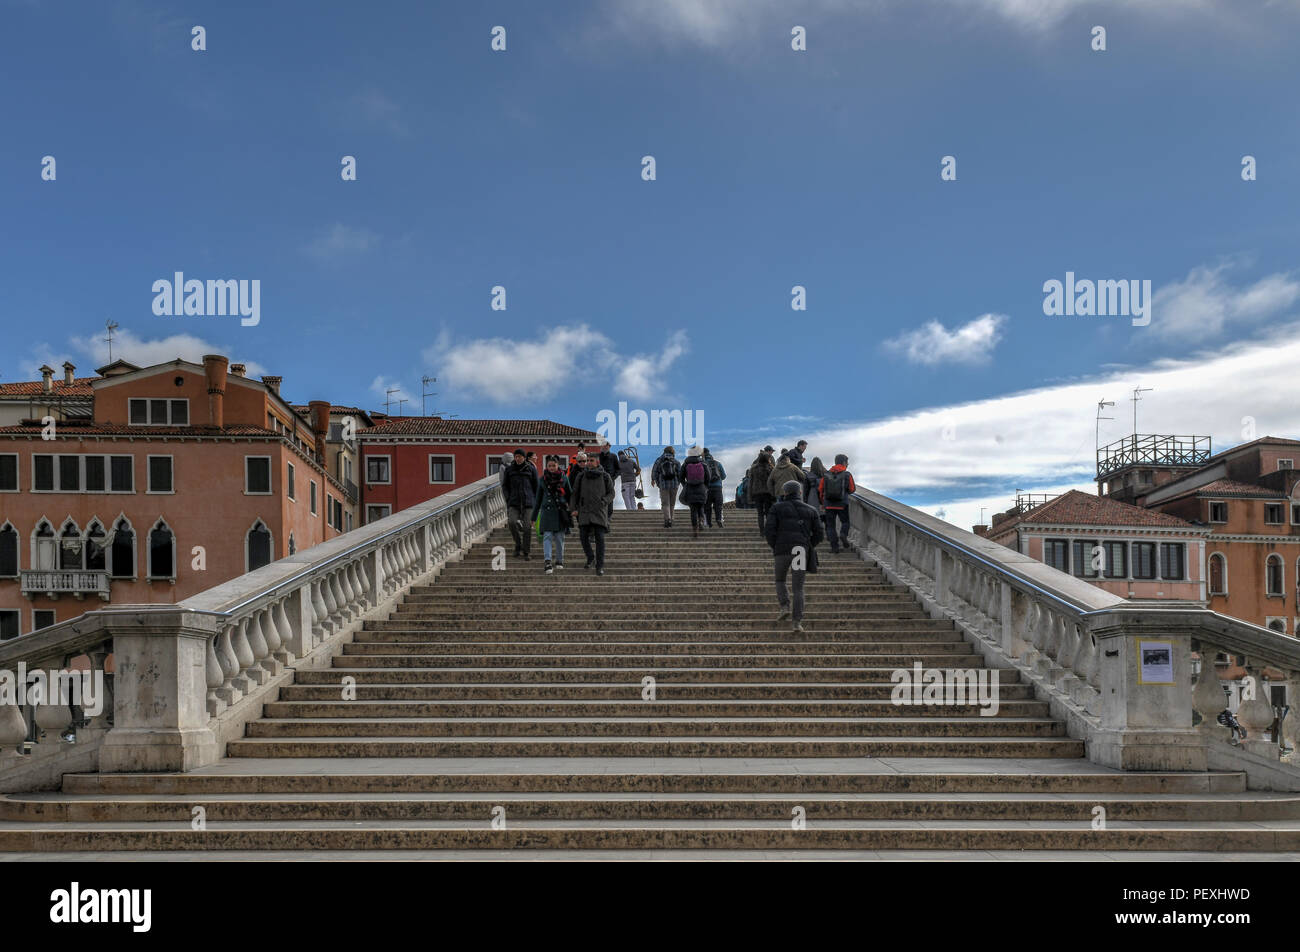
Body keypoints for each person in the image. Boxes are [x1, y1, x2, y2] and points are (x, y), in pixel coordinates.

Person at [765, 479, 824, 633]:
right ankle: (797, 622)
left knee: (780, 580)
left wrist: (775, 545)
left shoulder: (776, 508)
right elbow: (819, 534)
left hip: (782, 549)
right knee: (798, 587)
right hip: (800, 550)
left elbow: (769, 530)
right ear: (800, 492)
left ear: (785, 493)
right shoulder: (811, 510)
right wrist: (807, 544)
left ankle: (784, 606)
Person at [571, 452, 614, 575]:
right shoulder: (581, 476)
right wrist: (573, 508)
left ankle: (599, 566)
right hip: (584, 511)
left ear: (597, 462)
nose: (588, 463)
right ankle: (590, 557)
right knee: (583, 537)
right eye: (587, 460)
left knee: (600, 539)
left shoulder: (605, 476)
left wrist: (604, 501)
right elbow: (575, 493)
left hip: (599, 511)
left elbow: (612, 493)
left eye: (591, 460)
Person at [532, 455, 571, 574]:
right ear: (546, 466)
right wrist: (533, 517)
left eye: (554, 465)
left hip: (560, 511)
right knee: (547, 536)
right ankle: (547, 561)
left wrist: (573, 509)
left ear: (558, 465)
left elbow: (570, 494)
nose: (552, 467)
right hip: (547, 512)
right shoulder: (542, 479)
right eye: (549, 465)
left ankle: (559, 560)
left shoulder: (564, 478)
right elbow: (538, 499)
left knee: (559, 538)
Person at [501, 448, 537, 560]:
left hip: (528, 502)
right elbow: (505, 485)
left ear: (524, 457)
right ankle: (518, 544)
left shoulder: (531, 469)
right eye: (516, 456)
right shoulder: (509, 470)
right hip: (514, 502)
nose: (517, 458)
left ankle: (526, 552)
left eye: (519, 456)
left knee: (527, 527)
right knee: (511, 522)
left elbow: (536, 486)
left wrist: (535, 501)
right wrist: (508, 498)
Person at [819, 454, 857, 554]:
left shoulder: (826, 474)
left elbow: (821, 489)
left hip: (829, 504)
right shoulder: (847, 474)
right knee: (845, 522)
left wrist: (823, 502)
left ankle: (834, 547)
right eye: (847, 462)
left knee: (830, 526)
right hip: (842, 504)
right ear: (844, 462)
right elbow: (852, 489)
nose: (848, 464)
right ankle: (843, 534)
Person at [679, 446, 710, 540]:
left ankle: (695, 529)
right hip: (701, 487)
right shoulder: (703, 463)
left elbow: (681, 477)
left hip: (690, 488)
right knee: (701, 506)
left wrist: (685, 485)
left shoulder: (685, 464)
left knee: (693, 510)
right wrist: (705, 486)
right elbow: (708, 476)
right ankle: (701, 520)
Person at [747, 446, 776, 537]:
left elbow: (750, 483)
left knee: (760, 513)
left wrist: (750, 495)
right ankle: (768, 530)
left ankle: (761, 532)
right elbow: (773, 482)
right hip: (767, 493)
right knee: (768, 513)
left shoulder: (753, 468)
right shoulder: (770, 468)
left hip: (757, 493)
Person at [650, 446, 680, 528]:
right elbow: (680, 472)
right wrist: (678, 483)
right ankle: (672, 518)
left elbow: (654, 471)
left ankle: (668, 519)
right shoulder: (675, 461)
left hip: (663, 484)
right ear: (672, 452)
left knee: (665, 503)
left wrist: (654, 480)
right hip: (674, 484)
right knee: (672, 503)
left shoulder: (659, 460)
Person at [702, 448, 726, 528]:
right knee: (718, 505)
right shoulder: (718, 463)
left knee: (707, 506)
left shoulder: (702, 464)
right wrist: (718, 480)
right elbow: (724, 476)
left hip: (707, 488)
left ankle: (709, 523)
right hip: (718, 487)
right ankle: (718, 519)